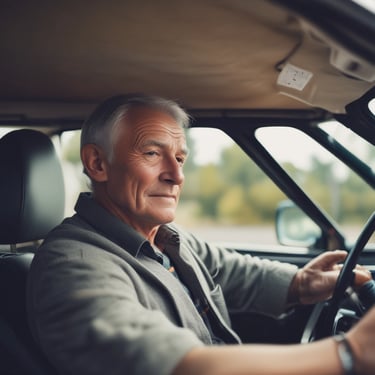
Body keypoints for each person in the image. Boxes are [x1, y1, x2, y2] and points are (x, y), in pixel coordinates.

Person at [27, 93, 375, 375]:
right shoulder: (72, 264)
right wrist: (349, 353)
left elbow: (237, 274)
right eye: (152, 153)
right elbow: (171, 366)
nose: (176, 176)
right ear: (98, 164)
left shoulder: (165, 238)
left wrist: (301, 283)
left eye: (180, 158)